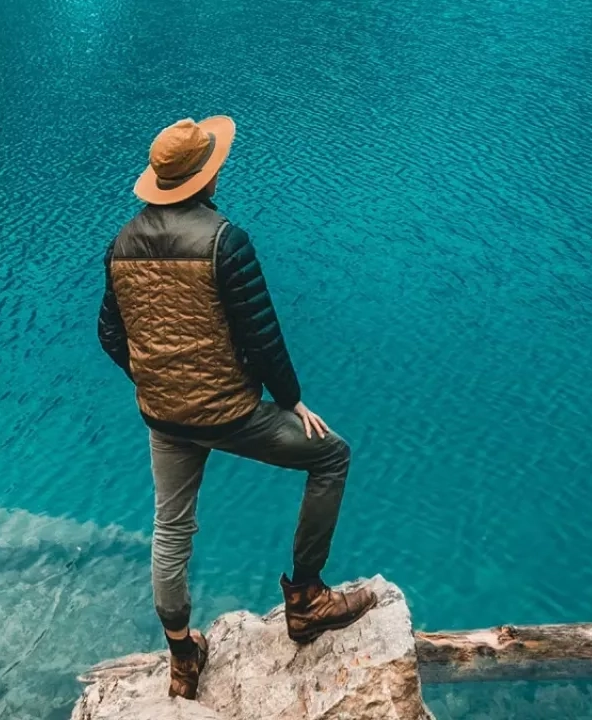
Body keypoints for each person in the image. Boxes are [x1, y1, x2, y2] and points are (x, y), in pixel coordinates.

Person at [97, 116, 376, 700]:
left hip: (165, 417)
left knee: (170, 528)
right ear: (206, 175)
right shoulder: (224, 239)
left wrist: (153, 379)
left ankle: (182, 658)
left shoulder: (121, 244)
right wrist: (292, 401)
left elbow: (110, 334)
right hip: (231, 414)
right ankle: (306, 598)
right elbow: (260, 335)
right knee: (331, 457)